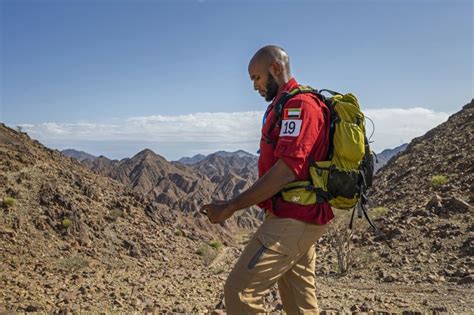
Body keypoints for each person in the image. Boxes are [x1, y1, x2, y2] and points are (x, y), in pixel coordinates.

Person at [200, 45, 334, 314]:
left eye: (256, 78)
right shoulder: (284, 105)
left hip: (293, 218)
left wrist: (231, 206)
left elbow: (286, 170)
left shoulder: (300, 105)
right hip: (295, 215)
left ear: (275, 68)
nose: (254, 86)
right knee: (299, 302)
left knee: (239, 291)